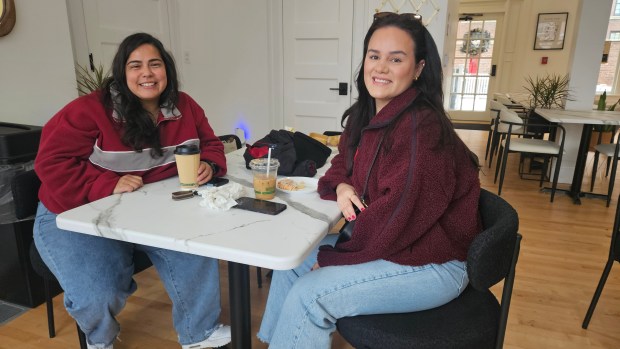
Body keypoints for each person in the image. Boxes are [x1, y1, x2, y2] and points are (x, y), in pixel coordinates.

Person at [257, 13, 482, 348]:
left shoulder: (421, 128)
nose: (381, 68)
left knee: (310, 293)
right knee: (292, 262)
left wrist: (336, 258)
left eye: (396, 59)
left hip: (434, 262)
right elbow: (340, 166)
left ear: (419, 68)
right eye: (374, 56)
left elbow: (397, 216)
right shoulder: (369, 115)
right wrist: (345, 186)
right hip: (398, 243)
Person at [33, 33, 231, 349]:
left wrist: (209, 161)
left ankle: (200, 333)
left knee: (196, 250)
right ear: (122, 74)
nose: (147, 73)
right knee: (100, 290)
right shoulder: (90, 110)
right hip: (70, 211)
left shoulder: (185, 106)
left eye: (155, 64)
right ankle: (100, 339)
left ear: (167, 69)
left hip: (149, 207)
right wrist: (106, 184)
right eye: (135, 65)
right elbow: (51, 163)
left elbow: (210, 143)